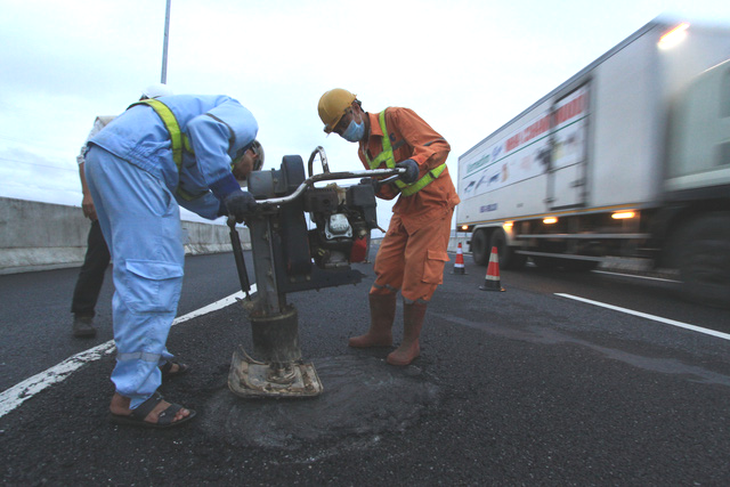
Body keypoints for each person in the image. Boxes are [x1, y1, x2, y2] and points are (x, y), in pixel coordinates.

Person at [84, 93, 262, 428]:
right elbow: (206, 128)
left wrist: (230, 205)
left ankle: (153, 361)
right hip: (135, 160)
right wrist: (228, 188)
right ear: (250, 150)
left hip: (110, 156)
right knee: (153, 275)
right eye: (250, 170)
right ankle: (133, 395)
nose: (246, 177)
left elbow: (192, 194)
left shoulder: (195, 154)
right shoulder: (242, 119)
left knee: (133, 270)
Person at [318, 88, 460, 366]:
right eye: (338, 131)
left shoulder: (395, 117)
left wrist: (415, 163)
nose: (345, 132)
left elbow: (439, 146)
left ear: (356, 108)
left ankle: (410, 344)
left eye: (345, 124)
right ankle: (380, 333)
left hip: (434, 203)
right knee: (385, 269)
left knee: (418, 275)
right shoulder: (364, 150)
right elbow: (389, 192)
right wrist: (374, 188)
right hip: (406, 207)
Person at [71, 83, 175, 338]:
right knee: (97, 258)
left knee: (142, 266)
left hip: (138, 207)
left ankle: (139, 327)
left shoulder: (161, 133)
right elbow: (85, 156)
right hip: (109, 203)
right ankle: (83, 314)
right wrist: (88, 194)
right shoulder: (110, 124)